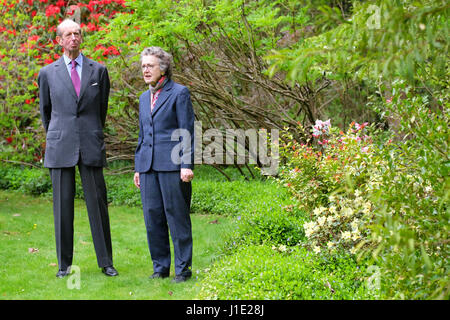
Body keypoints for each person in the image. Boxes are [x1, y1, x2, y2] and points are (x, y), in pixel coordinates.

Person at [38, 19, 118, 278]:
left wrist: (90, 132)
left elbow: (101, 110)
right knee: (62, 208)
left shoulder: (99, 71)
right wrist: (59, 134)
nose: (74, 37)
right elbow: (46, 114)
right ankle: (64, 265)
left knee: (98, 204)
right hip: (60, 144)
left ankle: (106, 262)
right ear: (59, 40)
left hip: (90, 143)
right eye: (69, 34)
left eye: (78, 33)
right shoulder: (47, 73)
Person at [133, 47, 195, 283]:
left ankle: (183, 270)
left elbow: (186, 131)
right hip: (148, 167)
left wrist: (186, 165)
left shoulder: (179, 93)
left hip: (173, 167)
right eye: (143, 66)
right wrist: (138, 167)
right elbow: (142, 134)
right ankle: (160, 267)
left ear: (163, 68)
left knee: (177, 218)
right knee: (152, 218)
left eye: (150, 65)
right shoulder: (142, 98)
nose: (145, 70)